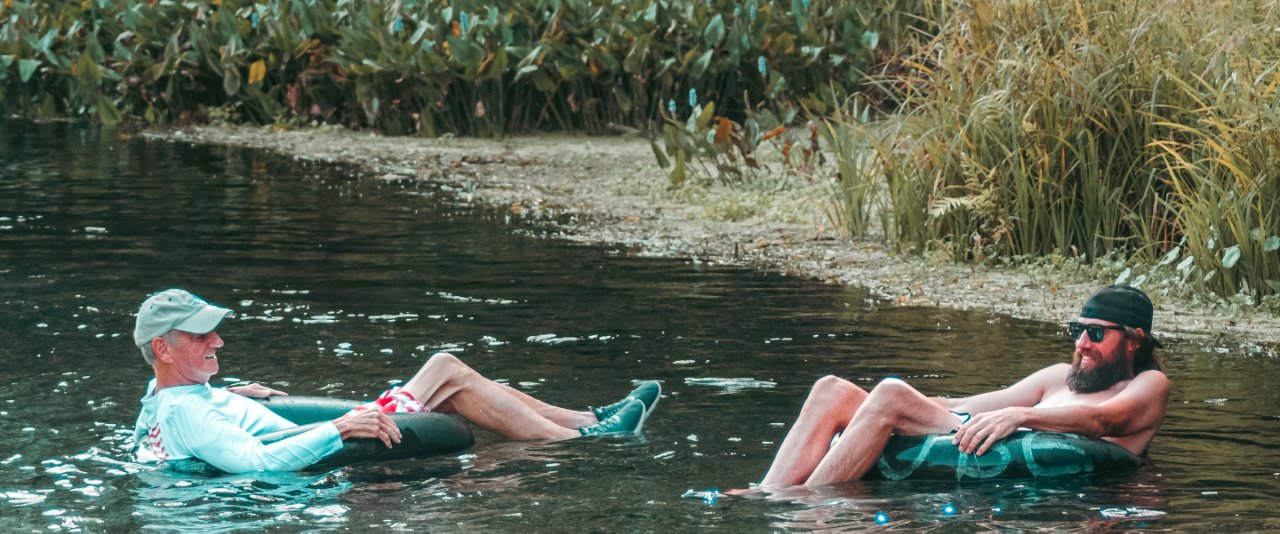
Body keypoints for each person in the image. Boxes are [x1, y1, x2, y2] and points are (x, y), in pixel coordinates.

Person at [130, 288, 661, 474]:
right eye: (200, 337)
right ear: (162, 348)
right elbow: (259, 462)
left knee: (450, 373)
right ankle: (584, 440)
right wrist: (343, 427)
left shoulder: (167, 395)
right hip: (332, 449)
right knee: (449, 371)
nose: (216, 342)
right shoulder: (191, 414)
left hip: (283, 428)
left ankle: (593, 420)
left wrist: (235, 391)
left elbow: (178, 416)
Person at [758, 284, 1169, 488]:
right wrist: (869, 410)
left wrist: (1024, 415)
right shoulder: (1057, 375)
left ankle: (803, 506)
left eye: (1096, 334)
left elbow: (1103, 420)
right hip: (980, 430)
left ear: (1134, 339)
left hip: (1017, 443)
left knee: (891, 394)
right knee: (833, 389)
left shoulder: (1149, 383)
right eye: (1077, 330)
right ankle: (768, 493)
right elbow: (965, 403)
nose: (1081, 344)